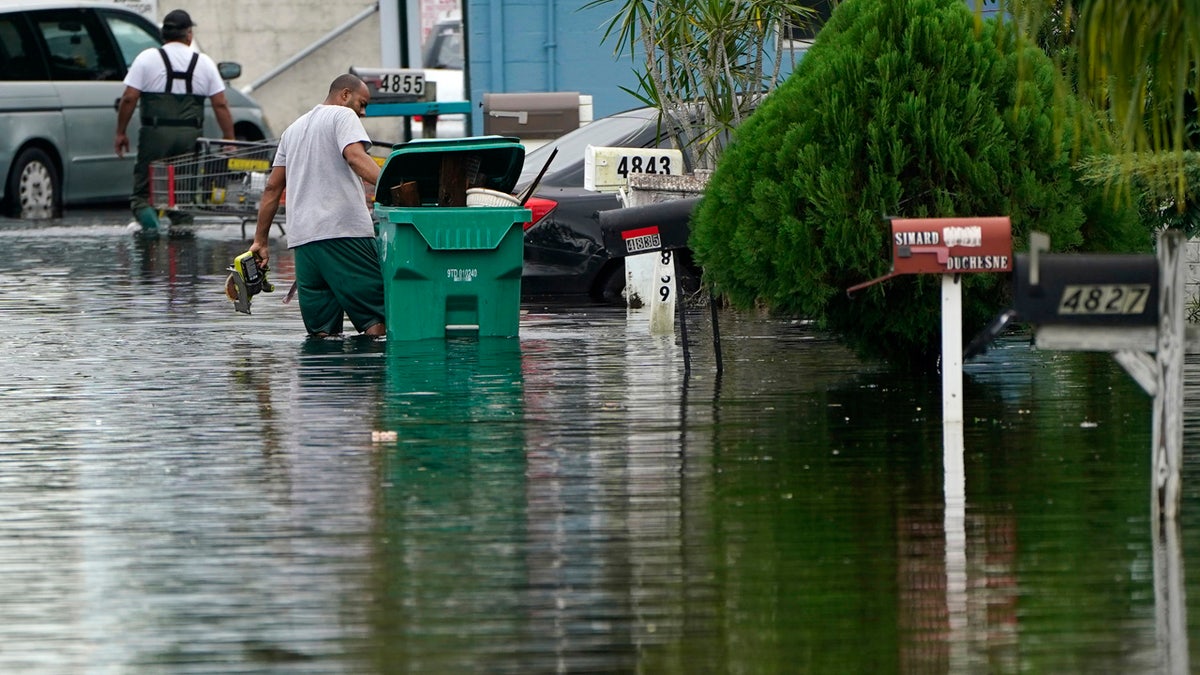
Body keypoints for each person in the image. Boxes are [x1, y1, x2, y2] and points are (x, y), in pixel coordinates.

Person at [249, 74, 385, 339]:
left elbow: (272, 188)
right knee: (376, 321)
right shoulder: (342, 116)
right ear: (345, 95)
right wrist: (394, 187)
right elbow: (356, 157)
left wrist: (260, 241)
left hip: (305, 245)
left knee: (322, 334)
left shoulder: (292, 130)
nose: (363, 112)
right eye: (362, 103)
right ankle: (372, 379)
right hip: (345, 234)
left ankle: (324, 381)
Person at [114, 9, 234, 234]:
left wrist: (120, 132)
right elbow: (221, 104)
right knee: (182, 198)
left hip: (155, 135)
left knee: (142, 196)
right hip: (189, 138)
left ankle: (152, 233)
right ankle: (183, 247)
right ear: (189, 34)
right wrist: (229, 138)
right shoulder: (204, 63)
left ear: (163, 34)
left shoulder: (147, 58)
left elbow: (129, 98)